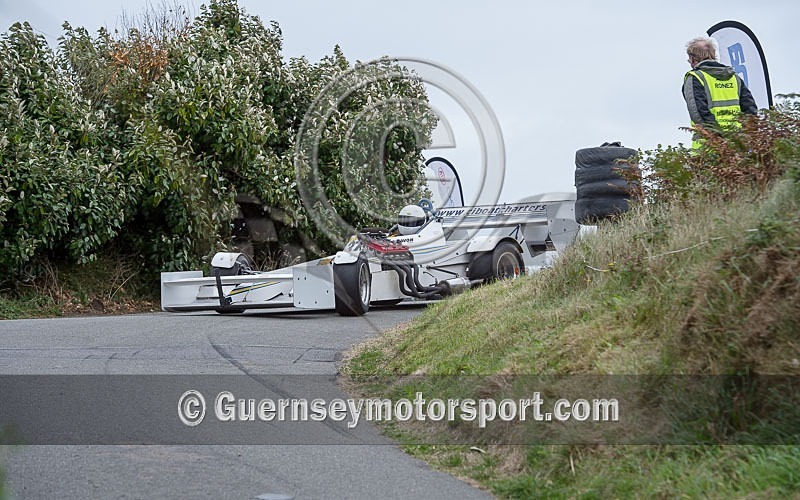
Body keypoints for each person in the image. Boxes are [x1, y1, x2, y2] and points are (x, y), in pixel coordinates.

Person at [682, 36, 758, 149]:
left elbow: (698, 114)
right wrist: (744, 139)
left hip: (708, 148)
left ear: (693, 59)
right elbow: (750, 111)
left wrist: (718, 139)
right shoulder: (735, 78)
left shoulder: (695, 78)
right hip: (736, 147)